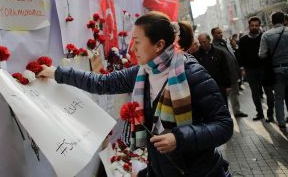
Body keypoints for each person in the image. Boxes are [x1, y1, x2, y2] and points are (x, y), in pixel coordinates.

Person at [39, 12, 233, 176]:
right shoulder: (142, 73)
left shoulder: (192, 74)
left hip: (201, 171)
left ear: (158, 45)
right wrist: (57, 73)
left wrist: (179, 137)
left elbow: (224, 125)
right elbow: (101, 83)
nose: (132, 48)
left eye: (138, 42)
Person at [238, 16, 275, 121]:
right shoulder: (243, 40)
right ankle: (259, 113)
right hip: (250, 70)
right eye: (252, 25)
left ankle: (270, 113)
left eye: (256, 25)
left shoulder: (265, 37)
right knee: (255, 93)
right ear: (249, 26)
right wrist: (243, 69)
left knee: (269, 93)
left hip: (265, 69)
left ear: (260, 26)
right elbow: (241, 56)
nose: (254, 27)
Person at [259, 11, 288, 130]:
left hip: (277, 70)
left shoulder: (266, 35)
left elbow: (262, 54)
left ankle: (281, 122)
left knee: (279, 97)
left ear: (272, 21)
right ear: (284, 20)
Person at [211, 27, 248, 118]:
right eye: (218, 33)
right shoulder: (214, 46)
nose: (221, 34)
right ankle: (225, 115)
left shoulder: (224, 42)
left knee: (235, 93)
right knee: (225, 96)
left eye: (221, 32)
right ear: (213, 35)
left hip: (233, 72)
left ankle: (237, 111)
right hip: (225, 76)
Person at [194, 33, 231, 106]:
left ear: (209, 40)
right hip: (205, 89)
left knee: (223, 106)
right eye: (200, 42)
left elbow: (225, 69)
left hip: (219, 86)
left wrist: (228, 85)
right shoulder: (196, 56)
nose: (203, 44)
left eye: (204, 42)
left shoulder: (219, 53)